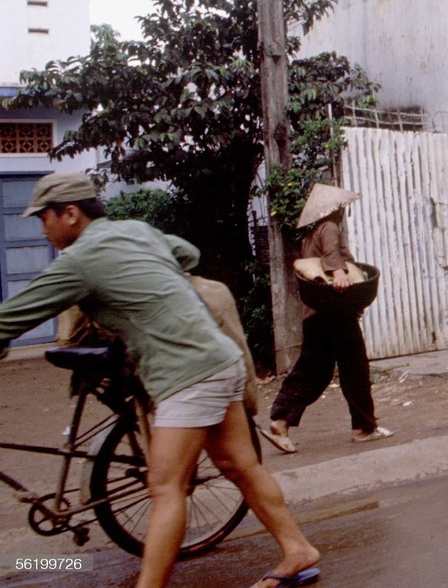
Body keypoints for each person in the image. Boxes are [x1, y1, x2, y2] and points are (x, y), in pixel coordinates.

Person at [0, 173, 320, 588]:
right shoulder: (133, 230)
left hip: (187, 374)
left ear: (71, 214)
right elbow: (186, 253)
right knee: (239, 465)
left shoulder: (79, 262)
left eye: (44, 219)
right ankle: (298, 550)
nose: (42, 229)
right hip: (220, 357)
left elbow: (9, 318)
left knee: (166, 486)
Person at [263, 184, 392, 454]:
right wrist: (340, 274)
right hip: (333, 313)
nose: (344, 211)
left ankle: (282, 420)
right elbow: (332, 256)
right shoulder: (329, 227)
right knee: (354, 368)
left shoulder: (310, 235)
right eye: (342, 207)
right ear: (334, 209)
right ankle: (362, 428)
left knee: (317, 370)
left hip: (318, 314)